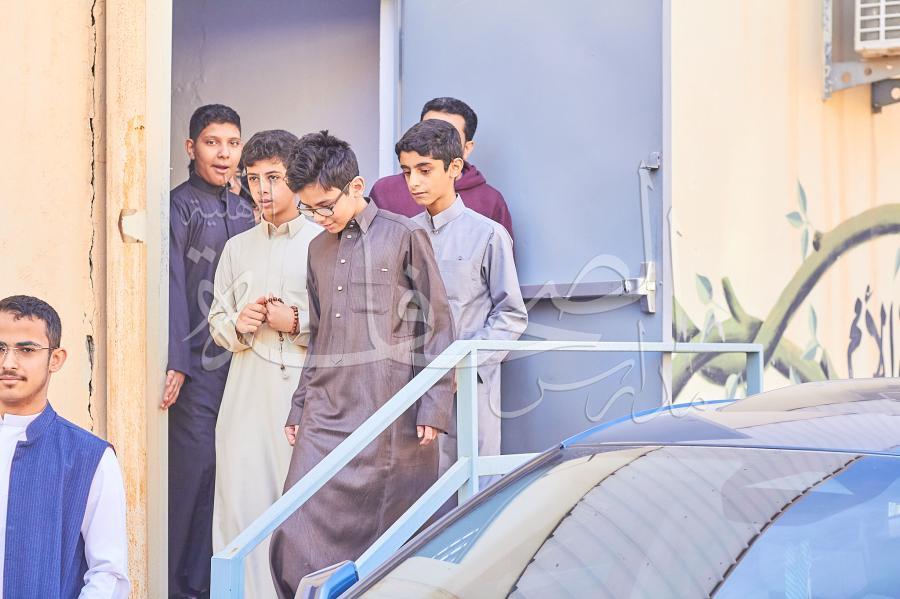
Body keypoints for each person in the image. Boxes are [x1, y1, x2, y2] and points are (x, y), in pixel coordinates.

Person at [268, 131, 455, 598]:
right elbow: (319, 336)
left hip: (390, 412)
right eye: (309, 209)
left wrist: (434, 404)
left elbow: (438, 324)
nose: (319, 218)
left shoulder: (404, 234)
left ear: (356, 187)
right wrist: (300, 404)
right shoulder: (317, 249)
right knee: (293, 530)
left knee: (389, 537)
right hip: (325, 412)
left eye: (325, 205)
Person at [208, 129, 322, 598]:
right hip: (246, 398)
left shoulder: (324, 240)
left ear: (296, 175)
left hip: (307, 400)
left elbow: (346, 321)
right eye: (253, 179)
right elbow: (216, 321)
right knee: (241, 508)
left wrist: (294, 320)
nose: (262, 189)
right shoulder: (237, 247)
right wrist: (240, 323)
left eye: (273, 177)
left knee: (304, 511)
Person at [398, 119, 527, 477]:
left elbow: (511, 315)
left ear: (454, 167)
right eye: (407, 172)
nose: (414, 182)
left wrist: (464, 365)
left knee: (475, 483)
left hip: (471, 387)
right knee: (419, 487)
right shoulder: (403, 235)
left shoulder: (488, 235)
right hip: (414, 386)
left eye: (424, 170)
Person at [163, 103, 256, 598]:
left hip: (243, 367)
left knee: (231, 474)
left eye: (232, 143)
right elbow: (172, 286)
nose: (223, 154)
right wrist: (176, 362)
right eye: (212, 142)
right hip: (197, 367)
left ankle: (210, 585)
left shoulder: (246, 210)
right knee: (195, 471)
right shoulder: (178, 207)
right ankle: (176, 586)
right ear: (191, 147)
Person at [0, 295, 129, 597]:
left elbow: (108, 574)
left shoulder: (89, 457)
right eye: (0, 348)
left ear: (55, 359)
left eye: (26, 350)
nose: (8, 362)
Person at [370, 97, 514, 240]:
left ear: (467, 148)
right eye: (427, 131)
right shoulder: (385, 191)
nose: (432, 140)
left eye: (448, 136)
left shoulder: (490, 201)